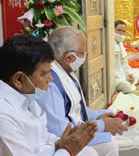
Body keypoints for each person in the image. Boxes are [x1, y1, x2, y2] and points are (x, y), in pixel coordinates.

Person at [0, 34, 98, 156]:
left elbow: (42, 136)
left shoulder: (22, 93)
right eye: (43, 74)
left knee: (89, 152)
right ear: (19, 79)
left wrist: (61, 142)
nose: (50, 79)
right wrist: (68, 149)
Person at [37, 26, 125, 156]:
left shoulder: (65, 70)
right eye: (82, 54)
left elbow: (76, 105)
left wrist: (97, 116)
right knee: (110, 143)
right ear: (69, 58)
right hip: (62, 140)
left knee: (112, 127)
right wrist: (101, 125)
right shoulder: (50, 83)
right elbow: (58, 130)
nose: (84, 58)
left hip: (77, 128)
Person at [115, 20, 139, 93]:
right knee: (125, 86)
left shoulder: (120, 43)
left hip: (123, 74)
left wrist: (129, 75)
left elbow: (124, 64)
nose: (121, 33)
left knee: (138, 71)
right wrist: (124, 79)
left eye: (124, 31)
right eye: (119, 30)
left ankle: (132, 81)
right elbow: (112, 69)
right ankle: (133, 83)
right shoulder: (110, 44)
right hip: (115, 77)